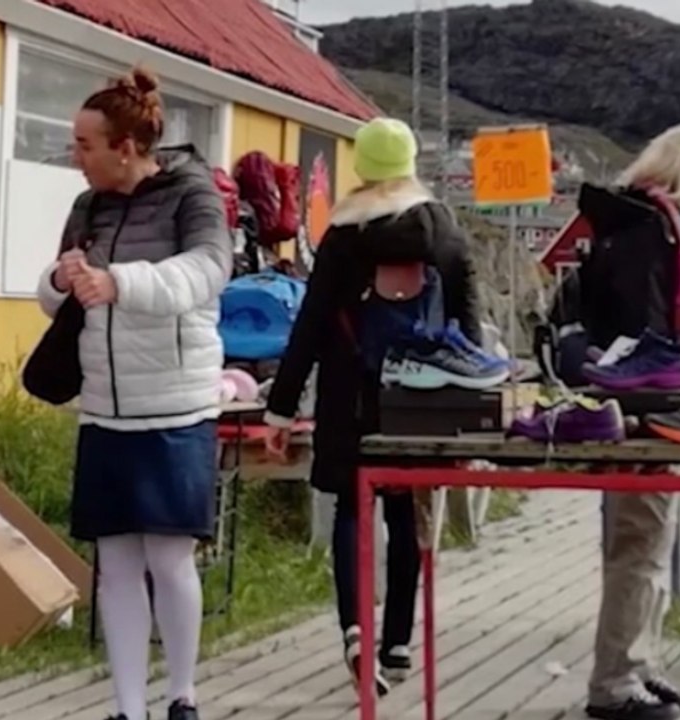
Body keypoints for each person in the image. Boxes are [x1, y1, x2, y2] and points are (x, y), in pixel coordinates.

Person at [37, 67, 232, 720]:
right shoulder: (86, 207)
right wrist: (59, 279)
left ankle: (182, 694)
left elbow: (206, 271)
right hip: (104, 408)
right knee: (114, 563)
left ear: (124, 147)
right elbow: (57, 297)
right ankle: (127, 707)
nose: (75, 155)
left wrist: (121, 282)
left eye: (85, 144)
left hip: (176, 406)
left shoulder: (191, 194)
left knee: (169, 557)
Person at [263, 117, 481, 695]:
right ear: (411, 167)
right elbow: (470, 334)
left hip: (349, 396)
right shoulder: (446, 234)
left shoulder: (342, 237)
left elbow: (309, 328)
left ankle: (357, 630)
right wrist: (470, 417)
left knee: (352, 513)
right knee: (408, 513)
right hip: (420, 400)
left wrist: (279, 412)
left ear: (361, 168)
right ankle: (400, 642)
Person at [575, 123, 680, 720]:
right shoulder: (652, 233)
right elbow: (652, 335)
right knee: (639, 542)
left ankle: (640, 666)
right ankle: (616, 683)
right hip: (647, 412)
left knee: (646, 541)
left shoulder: (627, 226)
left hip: (629, 406)